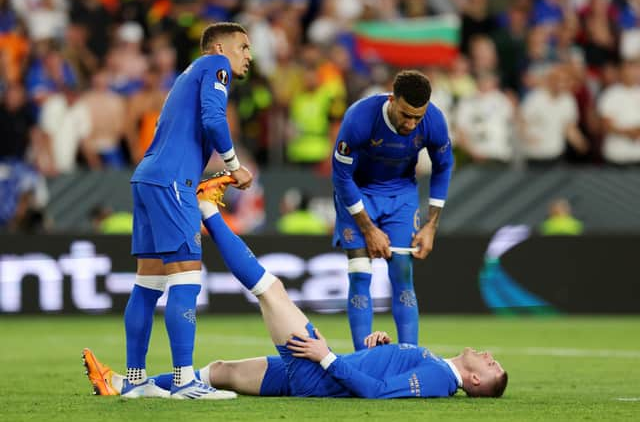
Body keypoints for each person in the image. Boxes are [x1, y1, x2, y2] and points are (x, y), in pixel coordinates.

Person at [83, 176, 508, 399]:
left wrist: (324, 358)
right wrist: (377, 351)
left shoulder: (438, 377)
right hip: (313, 373)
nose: (489, 357)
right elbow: (378, 375)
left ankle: (207, 208)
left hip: (314, 371)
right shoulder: (434, 364)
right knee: (219, 372)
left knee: (271, 289)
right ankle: (124, 385)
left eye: (491, 367)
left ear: (472, 381)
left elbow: (376, 394)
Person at [124, 22, 253, 400]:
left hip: (147, 178)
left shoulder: (188, 75)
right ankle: (184, 380)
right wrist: (233, 165)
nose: (248, 55)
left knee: (147, 284)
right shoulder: (215, 66)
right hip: (171, 183)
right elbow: (215, 120)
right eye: (243, 47)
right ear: (218, 47)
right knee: (186, 278)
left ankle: (136, 379)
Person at [331, 70, 454, 350]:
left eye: (417, 117)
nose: (411, 124)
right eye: (406, 115)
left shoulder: (433, 121)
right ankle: (363, 360)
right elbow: (341, 175)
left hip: (401, 194)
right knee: (360, 273)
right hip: (357, 191)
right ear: (392, 99)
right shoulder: (360, 118)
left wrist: (431, 225)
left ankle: (409, 357)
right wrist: (368, 228)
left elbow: (444, 165)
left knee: (402, 272)